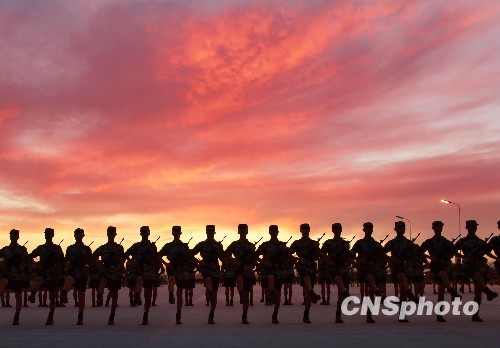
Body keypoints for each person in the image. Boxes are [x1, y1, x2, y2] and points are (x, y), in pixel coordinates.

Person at [455, 220, 498, 322]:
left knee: (478, 292)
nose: (474, 228)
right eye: (471, 226)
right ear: (467, 227)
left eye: (475, 226)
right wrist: (465, 257)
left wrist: (495, 258)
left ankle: (475, 314)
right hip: (469, 267)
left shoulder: (480, 241)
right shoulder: (463, 241)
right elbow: (454, 251)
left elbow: (487, 252)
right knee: (477, 276)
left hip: (479, 265)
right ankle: (488, 292)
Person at [420, 221, 462, 322]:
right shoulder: (429, 242)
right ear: (433, 228)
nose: (439, 228)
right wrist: (431, 257)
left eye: (440, 227)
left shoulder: (446, 242)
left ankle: (439, 314)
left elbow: (453, 251)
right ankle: (452, 292)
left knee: (441, 291)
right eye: (437, 227)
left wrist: (447, 257)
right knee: (442, 277)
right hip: (436, 267)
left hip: (444, 265)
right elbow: (420, 251)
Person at [159, 225, 196, 325]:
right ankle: (171, 294)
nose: (176, 233)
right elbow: (158, 255)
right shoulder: (168, 246)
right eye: (174, 231)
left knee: (179, 293)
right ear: (172, 233)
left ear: (180, 233)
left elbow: (189, 258)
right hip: (172, 268)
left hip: (181, 270)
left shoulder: (184, 246)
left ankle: (178, 314)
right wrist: (166, 264)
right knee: (171, 279)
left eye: (177, 231)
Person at [384, 221, 418, 322]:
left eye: (403, 227)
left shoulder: (408, 243)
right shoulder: (392, 243)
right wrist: (392, 259)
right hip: (396, 269)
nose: (401, 229)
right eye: (399, 227)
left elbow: (414, 255)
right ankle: (409, 293)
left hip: (406, 268)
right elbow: (382, 253)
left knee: (402, 292)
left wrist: (412, 261)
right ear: (395, 229)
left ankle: (402, 315)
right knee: (402, 278)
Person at [29, 228, 65, 325]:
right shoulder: (41, 248)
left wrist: (58, 267)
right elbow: (30, 256)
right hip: (43, 271)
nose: (47, 235)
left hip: (53, 273)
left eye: (49, 234)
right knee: (38, 280)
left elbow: (62, 260)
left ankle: (51, 315)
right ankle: (33, 293)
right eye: (46, 234)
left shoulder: (57, 248)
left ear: (52, 235)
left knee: (52, 296)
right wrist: (37, 264)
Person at [351, 222, 384, 323]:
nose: (369, 230)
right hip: (364, 270)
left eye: (370, 228)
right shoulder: (359, 243)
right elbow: (351, 255)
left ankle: (369, 314)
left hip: (373, 269)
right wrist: (358, 264)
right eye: (367, 228)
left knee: (371, 293)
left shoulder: (376, 244)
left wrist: (377, 265)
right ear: (364, 230)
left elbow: (382, 257)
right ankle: (377, 292)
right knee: (370, 283)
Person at [125, 226, 158, 325]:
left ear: (148, 233)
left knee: (148, 295)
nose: (144, 233)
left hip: (148, 271)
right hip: (139, 270)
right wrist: (132, 261)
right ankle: (138, 295)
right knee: (139, 279)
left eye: (145, 232)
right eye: (142, 232)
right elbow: (126, 253)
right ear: (140, 233)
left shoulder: (152, 246)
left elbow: (155, 258)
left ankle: (146, 314)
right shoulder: (136, 246)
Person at [192, 225, 225, 324]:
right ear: (206, 232)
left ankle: (211, 313)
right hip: (206, 268)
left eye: (211, 230)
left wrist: (220, 250)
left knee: (214, 296)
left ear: (214, 232)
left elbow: (223, 259)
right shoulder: (201, 244)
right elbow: (190, 254)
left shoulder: (217, 245)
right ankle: (209, 289)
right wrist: (199, 262)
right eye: (209, 230)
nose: (210, 232)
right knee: (208, 278)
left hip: (215, 269)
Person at [321, 223, 353, 323]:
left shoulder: (345, 243)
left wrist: (348, 262)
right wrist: (328, 261)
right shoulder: (328, 242)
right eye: (335, 229)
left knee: (340, 295)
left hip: (343, 268)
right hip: (333, 268)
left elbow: (349, 255)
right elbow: (322, 253)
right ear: (333, 230)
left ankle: (338, 314)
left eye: (339, 229)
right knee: (339, 282)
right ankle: (344, 293)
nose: (337, 230)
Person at [226, 224, 258, 324]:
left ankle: (244, 315)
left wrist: (251, 264)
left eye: (245, 230)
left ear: (247, 231)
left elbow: (254, 258)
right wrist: (234, 261)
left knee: (247, 295)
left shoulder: (250, 245)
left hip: (248, 270)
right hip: (238, 269)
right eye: (241, 230)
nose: (243, 231)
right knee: (240, 281)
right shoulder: (234, 244)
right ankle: (240, 293)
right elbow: (226, 254)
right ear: (239, 231)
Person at [290, 223, 322, 324]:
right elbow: (288, 254)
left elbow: (318, 256)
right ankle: (312, 293)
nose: (305, 231)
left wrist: (317, 247)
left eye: (306, 229)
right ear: (301, 231)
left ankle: (306, 314)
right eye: (303, 229)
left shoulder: (313, 243)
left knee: (309, 291)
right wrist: (298, 259)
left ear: (309, 230)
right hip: (302, 266)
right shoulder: (297, 243)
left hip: (311, 266)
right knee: (306, 277)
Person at [60, 228, 93, 325]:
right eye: (77, 234)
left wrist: (85, 257)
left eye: (80, 234)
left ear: (83, 235)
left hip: (82, 273)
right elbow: (66, 260)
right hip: (73, 271)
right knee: (69, 279)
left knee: (81, 296)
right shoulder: (70, 248)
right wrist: (67, 265)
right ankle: (64, 294)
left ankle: (80, 315)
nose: (78, 236)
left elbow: (90, 262)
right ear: (74, 235)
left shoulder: (86, 249)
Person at [93, 226, 125, 325]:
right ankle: (100, 295)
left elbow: (122, 260)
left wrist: (121, 270)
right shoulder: (103, 247)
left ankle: (112, 315)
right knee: (102, 281)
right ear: (107, 234)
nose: (111, 234)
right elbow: (93, 257)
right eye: (109, 232)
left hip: (115, 271)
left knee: (114, 294)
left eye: (112, 232)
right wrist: (100, 265)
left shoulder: (119, 248)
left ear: (115, 234)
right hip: (105, 269)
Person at [256, 225, 288, 324]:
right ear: (269, 232)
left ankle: (275, 314)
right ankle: (270, 292)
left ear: (277, 232)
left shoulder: (282, 245)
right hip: (268, 270)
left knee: (278, 296)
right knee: (270, 278)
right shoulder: (265, 245)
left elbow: (288, 257)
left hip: (278, 271)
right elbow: (255, 255)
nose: (273, 232)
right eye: (272, 231)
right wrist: (263, 262)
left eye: (275, 231)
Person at [0, 229, 30, 325]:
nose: (13, 236)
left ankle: (17, 315)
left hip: (18, 275)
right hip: (8, 274)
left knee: (18, 295)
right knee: (3, 282)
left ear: (18, 237)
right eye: (12, 235)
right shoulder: (5, 249)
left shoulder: (22, 249)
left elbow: (26, 261)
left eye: (15, 235)